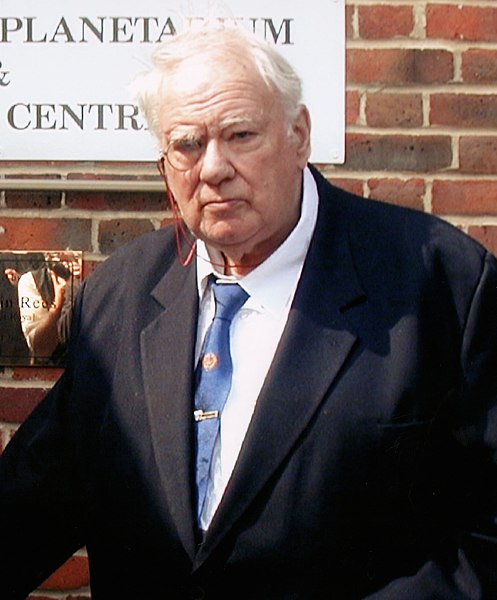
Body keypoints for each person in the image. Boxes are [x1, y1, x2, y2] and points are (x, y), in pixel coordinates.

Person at [1, 25, 497, 599]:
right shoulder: (120, 296)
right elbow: (35, 500)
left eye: (240, 135)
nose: (213, 168)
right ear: (165, 162)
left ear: (299, 135)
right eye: (187, 144)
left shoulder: (440, 285)